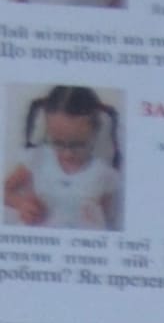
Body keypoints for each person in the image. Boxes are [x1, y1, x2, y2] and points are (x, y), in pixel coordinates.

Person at [6, 80, 117, 221]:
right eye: (57, 143)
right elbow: (5, 190)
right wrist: (21, 204)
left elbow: (107, 221)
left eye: (78, 144)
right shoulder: (38, 157)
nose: (67, 154)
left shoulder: (103, 174)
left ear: (95, 132)